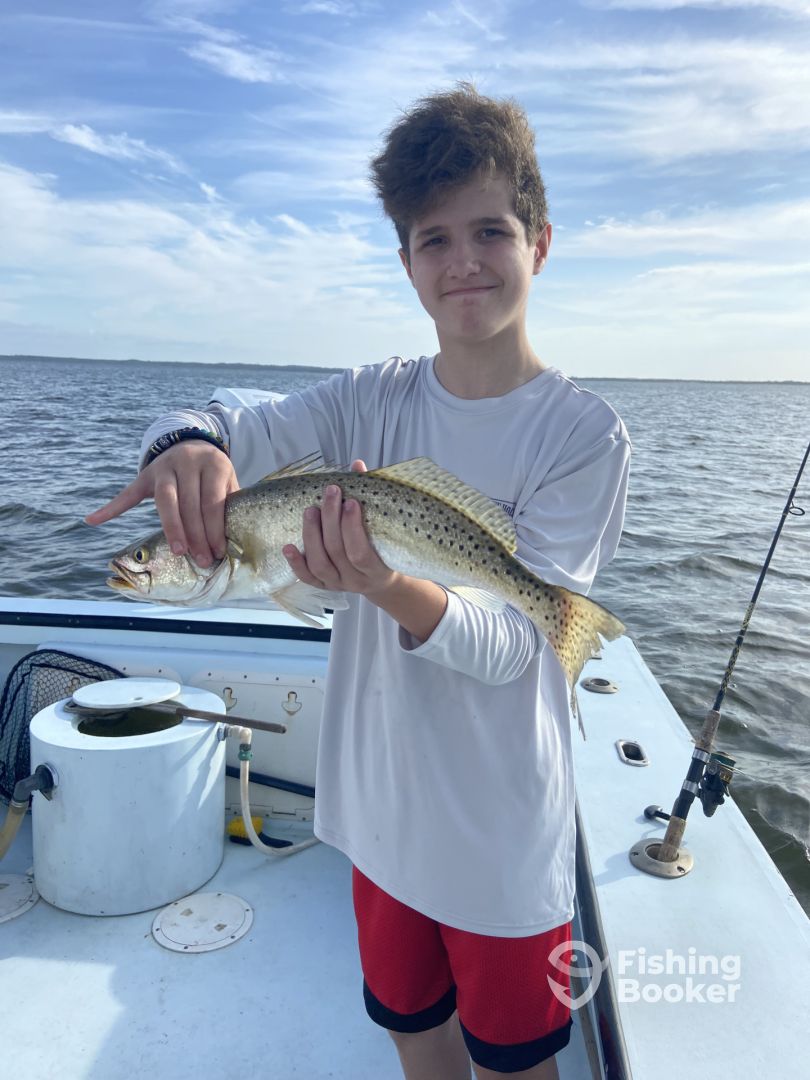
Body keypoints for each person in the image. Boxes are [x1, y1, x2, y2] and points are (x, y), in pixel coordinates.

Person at [87, 84, 630, 1080]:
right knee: (412, 1032)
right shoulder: (368, 397)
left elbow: (518, 647)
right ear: (406, 262)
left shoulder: (583, 433)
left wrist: (382, 583)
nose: (463, 261)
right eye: (433, 239)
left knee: (515, 1062)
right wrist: (186, 444)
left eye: (491, 231)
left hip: (500, 833)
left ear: (541, 243)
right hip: (377, 815)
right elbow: (228, 415)